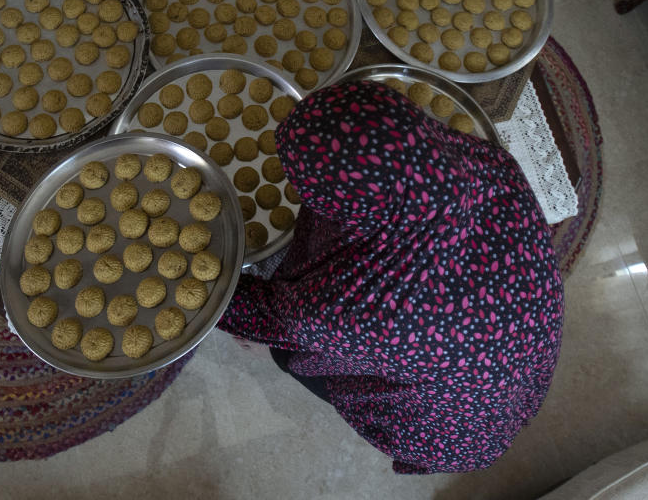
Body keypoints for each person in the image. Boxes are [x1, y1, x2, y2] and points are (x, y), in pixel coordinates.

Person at [217, 78, 564, 474]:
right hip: (515, 366)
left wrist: (228, 309)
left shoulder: (364, 311)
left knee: (294, 354)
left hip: (445, 427)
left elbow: (272, 317)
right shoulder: (488, 164)